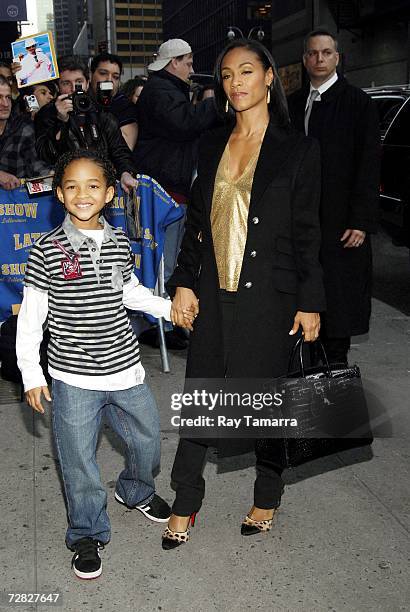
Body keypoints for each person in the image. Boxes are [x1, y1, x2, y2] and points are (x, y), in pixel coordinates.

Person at [162, 39, 325, 549]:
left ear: (269, 78)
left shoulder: (297, 148)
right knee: (203, 397)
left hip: (270, 296)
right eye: (227, 74)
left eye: (247, 71)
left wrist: (310, 299)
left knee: (265, 402)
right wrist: (184, 281)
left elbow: (307, 232)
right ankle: (186, 500)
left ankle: (267, 494)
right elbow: (197, 226)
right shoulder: (211, 144)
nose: (236, 82)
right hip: (213, 292)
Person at [16, 149, 193, 579]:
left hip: (125, 371)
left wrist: (167, 309)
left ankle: (135, 490)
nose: (82, 194)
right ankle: (86, 532)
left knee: (148, 441)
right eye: (72, 186)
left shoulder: (118, 242)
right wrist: (31, 373)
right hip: (72, 378)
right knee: (78, 462)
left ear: (109, 193)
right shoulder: (46, 249)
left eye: (93, 185)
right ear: (59, 194)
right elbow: (33, 315)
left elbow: (129, 291)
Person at [287, 29, 381, 365]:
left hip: (342, 223)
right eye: (313, 53)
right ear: (305, 58)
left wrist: (361, 219)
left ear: (337, 58)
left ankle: (335, 376)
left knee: (339, 304)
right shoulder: (293, 104)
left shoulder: (358, 103)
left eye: (327, 53)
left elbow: (369, 164)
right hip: (301, 221)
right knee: (302, 298)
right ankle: (306, 376)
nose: (320, 59)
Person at [134, 39, 219, 348]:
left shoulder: (167, 90)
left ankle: (167, 323)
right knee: (163, 262)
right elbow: (186, 124)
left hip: (173, 186)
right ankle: (160, 325)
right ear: (173, 63)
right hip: (165, 189)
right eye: (188, 62)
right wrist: (209, 101)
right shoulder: (160, 92)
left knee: (171, 259)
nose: (192, 69)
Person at [34, 56, 137, 193]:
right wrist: (61, 121)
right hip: (64, 188)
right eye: (66, 83)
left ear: (87, 83)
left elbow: (120, 151)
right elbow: (45, 155)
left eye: (78, 82)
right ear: (58, 86)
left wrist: (125, 173)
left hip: (98, 186)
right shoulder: (47, 114)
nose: (73, 89)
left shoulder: (100, 113)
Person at [0, 75, 51, 189]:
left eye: (8, 97)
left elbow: (36, 165)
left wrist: (54, 178)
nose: (5, 104)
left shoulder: (23, 128)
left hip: (15, 203)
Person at [89, 53, 139, 151]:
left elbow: (126, 148)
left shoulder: (125, 106)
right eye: (103, 73)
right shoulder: (82, 101)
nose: (109, 80)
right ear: (90, 75)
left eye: (115, 77)